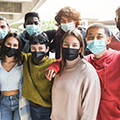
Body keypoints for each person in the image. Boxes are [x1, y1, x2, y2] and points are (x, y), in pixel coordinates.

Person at [46, 23, 120, 120]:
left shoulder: (117, 58)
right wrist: (54, 66)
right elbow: (67, 61)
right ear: (86, 41)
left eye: (99, 37)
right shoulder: (87, 60)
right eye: (90, 37)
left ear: (108, 40)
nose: (94, 40)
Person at [48, 29, 100, 120]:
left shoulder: (87, 72)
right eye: (66, 44)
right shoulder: (60, 68)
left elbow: (90, 112)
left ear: (80, 49)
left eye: (74, 45)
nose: (69, 48)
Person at [22, 32, 56, 120]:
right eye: (33, 48)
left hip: (48, 109)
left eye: (40, 48)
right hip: (31, 108)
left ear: (47, 49)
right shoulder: (27, 59)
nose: (37, 51)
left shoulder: (52, 64)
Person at [0, 33, 31, 120]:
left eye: (15, 45)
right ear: (4, 44)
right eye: (8, 44)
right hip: (3, 101)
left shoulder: (22, 64)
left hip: (20, 100)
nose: (11, 47)